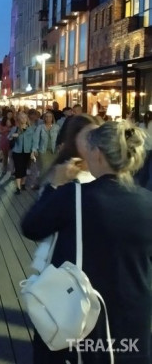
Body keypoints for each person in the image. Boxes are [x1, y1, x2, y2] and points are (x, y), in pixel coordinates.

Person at [22, 121, 152, 363]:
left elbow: (31, 227)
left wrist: (55, 185)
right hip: (133, 322)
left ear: (98, 154)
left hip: (81, 318)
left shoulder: (74, 196)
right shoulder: (147, 201)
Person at [31, 111, 61, 189]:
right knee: (44, 167)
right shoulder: (40, 127)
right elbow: (36, 139)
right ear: (44, 118)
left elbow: (60, 138)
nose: (48, 118)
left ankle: (49, 184)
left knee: (52, 168)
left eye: (50, 116)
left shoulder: (56, 127)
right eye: (46, 117)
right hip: (43, 150)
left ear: (52, 118)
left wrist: (60, 147)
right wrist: (34, 150)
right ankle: (41, 184)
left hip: (54, 151)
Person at [9, 111, 35, 194]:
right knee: (18, 168)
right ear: (19, 119)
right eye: (21, 118)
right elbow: (9, 137)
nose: (23, 119)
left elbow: (34, 141)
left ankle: (23, 184)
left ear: (27, 119)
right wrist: (14, 135)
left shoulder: (31, 129)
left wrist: (33, 152)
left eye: (25, 117)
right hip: (17, 151)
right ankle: (18, 188)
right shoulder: (15, 128)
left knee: (25, 168)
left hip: (27, 151)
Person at [0, 108, 14, 174]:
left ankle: (11, 169)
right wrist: (7, 129)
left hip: (12, 140)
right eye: (9, 114)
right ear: (6, 114)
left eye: (11, 114)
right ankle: (4, 168)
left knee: (11, 156)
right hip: (4, 139)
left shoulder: (14, 122)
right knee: (5, 156)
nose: (10, 115)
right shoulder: (2, 122)